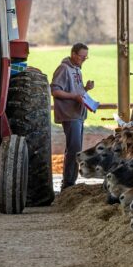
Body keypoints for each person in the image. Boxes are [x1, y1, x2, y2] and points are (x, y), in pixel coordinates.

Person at [50, 43, 95, 190]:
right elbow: (55, 91)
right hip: (69, 114)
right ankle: (68, 184)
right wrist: (74, 97)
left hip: (77, 113)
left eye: (85, 57)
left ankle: (70, 182)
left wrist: (85, 88)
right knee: (74, 149)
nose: (84, 59)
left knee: (76, 148)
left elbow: (76, 90)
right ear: (74, 54)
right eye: (82, 56)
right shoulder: (63, 69)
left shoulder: (76, 69)